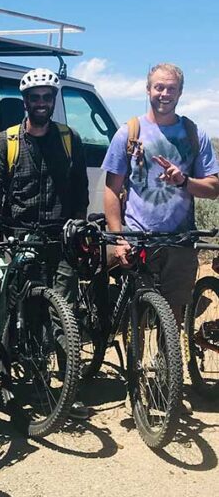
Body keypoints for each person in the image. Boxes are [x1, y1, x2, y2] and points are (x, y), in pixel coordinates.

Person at [0, 67, 90, 419]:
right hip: (19, 238)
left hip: (60, 238)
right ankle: (8, 382)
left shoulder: (70, 139)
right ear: (25, 101)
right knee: (10, 310)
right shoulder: (5, 142)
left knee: (63, 313)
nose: (41, 103)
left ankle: (67, 391)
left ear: (54, 101)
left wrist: (79, 226)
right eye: (34, 98)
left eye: (47, 98)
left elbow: (80, 191)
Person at [102, 63, 219, 323]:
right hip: (137, 240)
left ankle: (167, 363)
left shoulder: (193, 134)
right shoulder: (129, 133)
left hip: (180, 241)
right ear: (148, 90)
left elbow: (213, 188)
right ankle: (136, 362)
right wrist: (119, 238)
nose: (164, 94)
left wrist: (183, 181)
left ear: (180, 93)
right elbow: (112, 189)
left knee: (173, 316)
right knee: (136, 316)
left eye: (171, 89)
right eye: (159, 87)